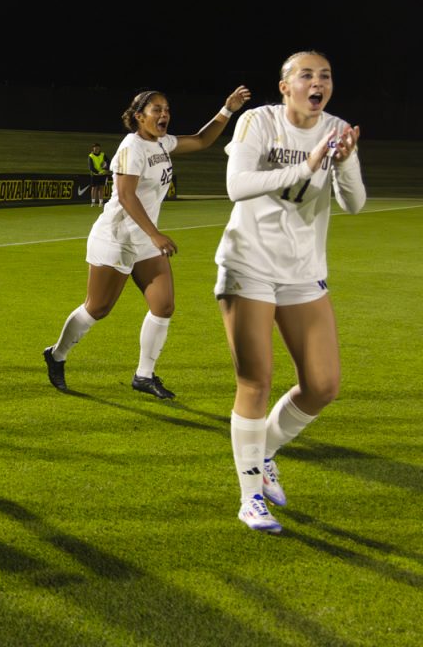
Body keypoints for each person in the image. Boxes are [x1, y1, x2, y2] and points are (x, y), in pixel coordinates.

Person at [217, 52, 364, 534]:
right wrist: (307, 166)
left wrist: (342, 163)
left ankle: (266, 453)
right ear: (284, 87)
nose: (318, 82)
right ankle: (250, 496)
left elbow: (355, 204)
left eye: (325, 75)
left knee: (323, 386)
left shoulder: (337, 128)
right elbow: (237, 185)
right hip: (249, 263)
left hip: (303, 271)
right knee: (255, 381)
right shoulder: (258, 122)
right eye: (307, 75)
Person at [43, 85, 251, 398]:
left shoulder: (162, 143)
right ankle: (56, 355)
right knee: (97, 308)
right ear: (139, 117)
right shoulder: (132, 148)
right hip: (117, 239)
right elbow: (126, 196)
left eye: (166, 109)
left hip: (144, 240)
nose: (164, 114)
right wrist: (155, 234)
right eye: (156, 110)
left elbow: (201, 140)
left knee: (163, 305)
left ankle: (144, 375)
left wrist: (227, 110)